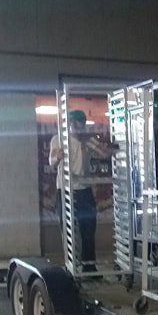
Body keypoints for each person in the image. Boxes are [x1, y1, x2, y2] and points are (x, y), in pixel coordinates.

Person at [49, 108, 117, 273]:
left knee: (88, 228)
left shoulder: (88, 140)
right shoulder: (58, 139)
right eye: (75, 123)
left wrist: (115, 148)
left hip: (85, 190)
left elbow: (104, 154)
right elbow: (51, 162)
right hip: (65, 190)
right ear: (69, 124)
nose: (78, 126)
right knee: (67, 229)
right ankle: (70, 265)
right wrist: (57, 157)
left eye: (82, 123)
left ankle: (89, 266)